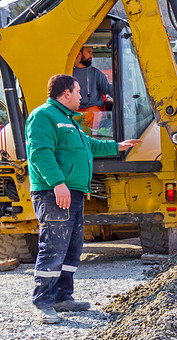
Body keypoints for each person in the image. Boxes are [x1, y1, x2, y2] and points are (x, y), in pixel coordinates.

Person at [26, 74, 140, 324]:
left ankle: (62, 297)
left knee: (71, 248)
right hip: (54, 193)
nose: (81, 96)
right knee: (53, 247)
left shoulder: (68, 120)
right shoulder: (44, 116)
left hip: (74, 192)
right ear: (65, 93)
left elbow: (88, 145)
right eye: (78, 92)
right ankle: (43, 302)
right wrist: (57, 183)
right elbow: (40, 153)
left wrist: (117, 146)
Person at [72, 45, 113, 134]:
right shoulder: (68, 73)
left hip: (92, 110)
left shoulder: (96, 73)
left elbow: (108, 89)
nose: (92, 56)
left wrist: (123, 95)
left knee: (93, 114)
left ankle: (93, 141)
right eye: (88, 52)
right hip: (73, 110)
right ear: (79, 54)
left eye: (92, 52)